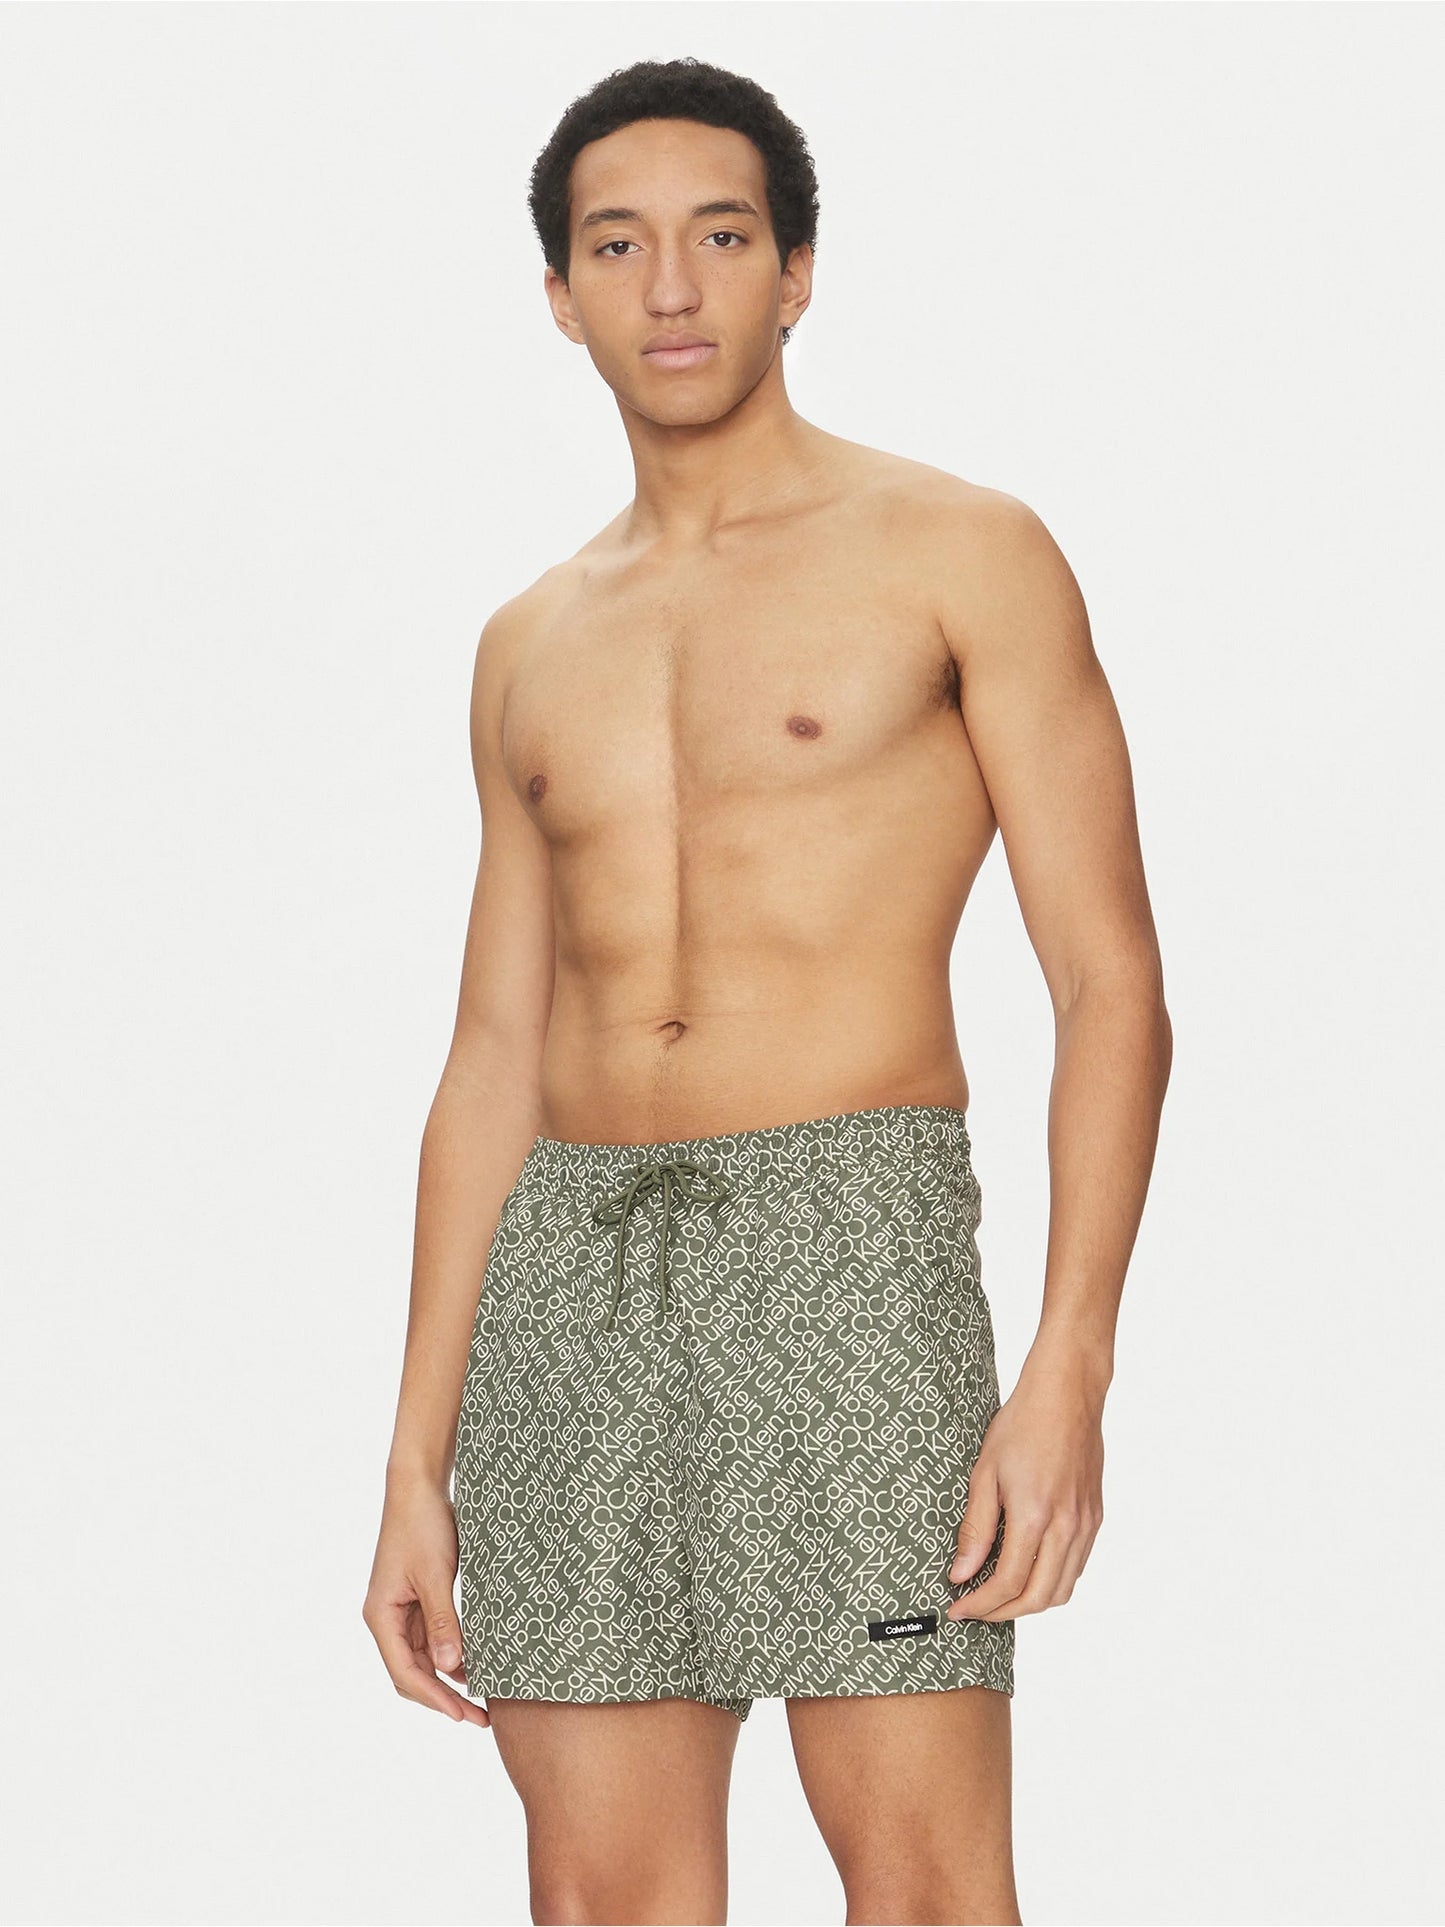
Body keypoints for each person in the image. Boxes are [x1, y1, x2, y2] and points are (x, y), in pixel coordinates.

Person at [363, 55, 1171, 1927]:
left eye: (720, 238)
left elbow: (1107, 977)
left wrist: (1068, 1363)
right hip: (570, 1279)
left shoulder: (958, 552)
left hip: (848, 1245)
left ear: (794, 272)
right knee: (603, 1899)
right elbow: (491, 1058)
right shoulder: (526, 641)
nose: (670, 287)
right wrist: (414, 1460)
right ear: (557, 294)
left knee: (922, 1884)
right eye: (616, 246)